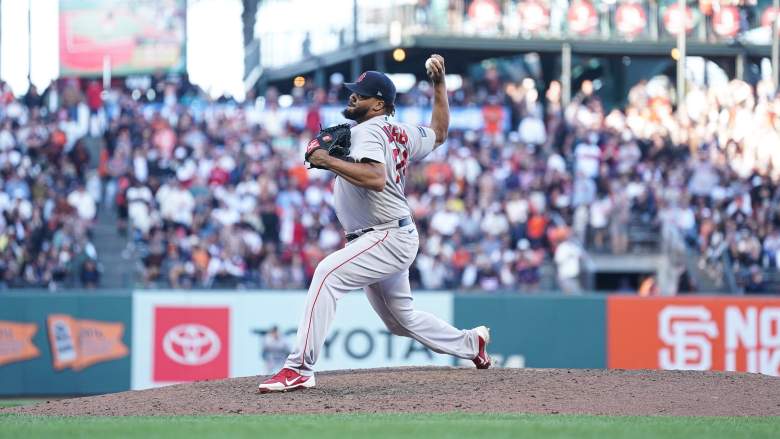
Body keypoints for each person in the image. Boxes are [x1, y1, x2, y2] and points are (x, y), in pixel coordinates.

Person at [258, 56, 492, 393]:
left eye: (361, 94)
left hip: (385, 235)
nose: (352, 97)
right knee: (400, 321)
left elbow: (375, 177)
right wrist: (439, 85)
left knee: (327, 274)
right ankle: (471, 344)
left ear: (378, 103)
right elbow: (439, 132)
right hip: (388, 234)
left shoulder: (368, 130)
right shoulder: (399, 131)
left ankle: (298, 368)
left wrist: (329, 160)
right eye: (353, 92)